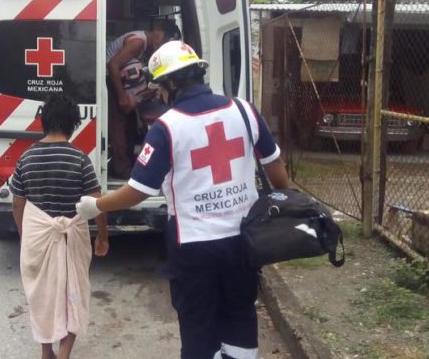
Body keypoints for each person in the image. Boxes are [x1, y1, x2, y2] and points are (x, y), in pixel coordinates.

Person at [77, 41, 289, 359]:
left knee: (198, 326)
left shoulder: (167, 127)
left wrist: (97, 205)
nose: (159, 94)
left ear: (171, 85)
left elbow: (139, 190)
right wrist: (284, 199)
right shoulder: (244, 110)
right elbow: (275, 166)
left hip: (193, 247)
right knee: (240, 314)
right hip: (244, 240)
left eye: (159, 87)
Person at [10, 94, 109, 359]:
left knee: (42, 295)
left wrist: (24, 234)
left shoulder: (26, 158)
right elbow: (96, 203)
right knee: (73, 291)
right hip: (71, 238)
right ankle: (64, 353)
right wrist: (102, 236)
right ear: (73, 124)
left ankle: (46, 351)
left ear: (43, 121)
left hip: (37, 239)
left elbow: (18, 204)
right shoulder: (79, 159)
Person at [106, 20, 181, 179]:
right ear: (157, 31)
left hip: (119, 80)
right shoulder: (138, 42)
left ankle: (123, 165)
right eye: (164, 41)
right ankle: (122, 169)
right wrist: (121, 96)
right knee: (118, 125)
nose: (162, 46)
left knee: (130, 124)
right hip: (112, 79)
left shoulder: (144, 45)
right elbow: (113, 65)